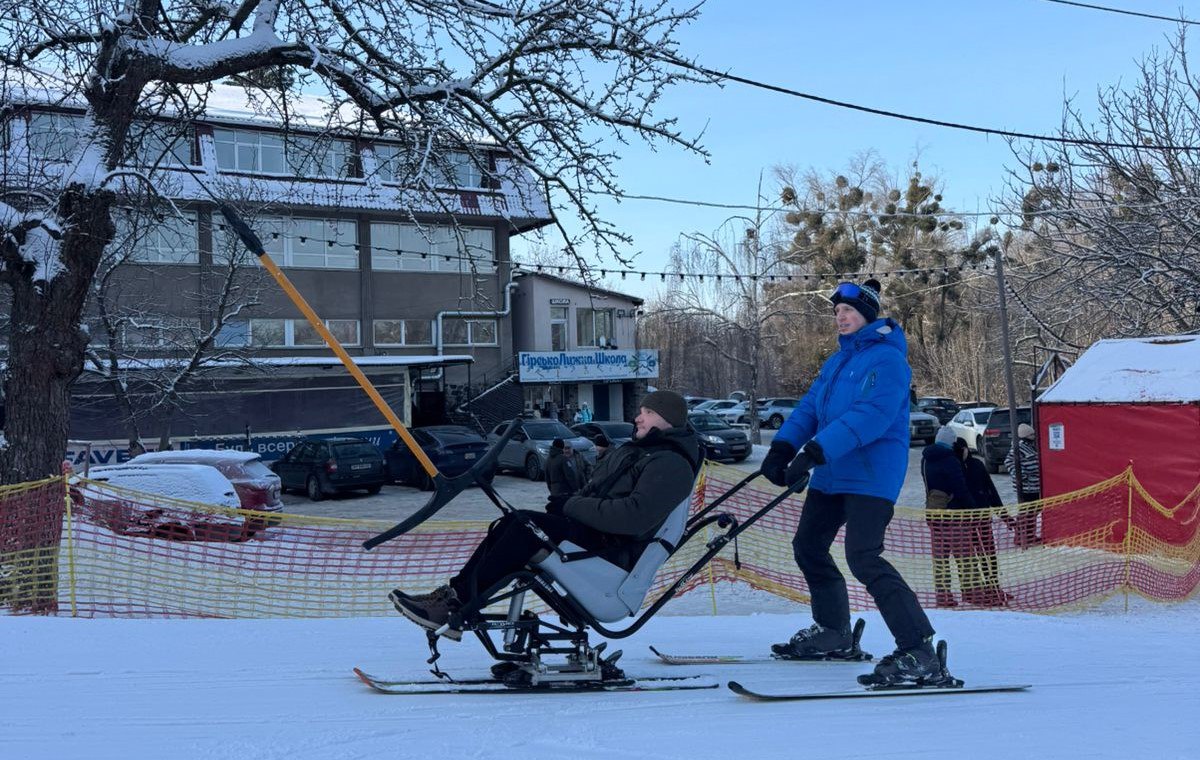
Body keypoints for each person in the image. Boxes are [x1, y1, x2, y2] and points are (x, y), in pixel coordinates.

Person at [390, 390, 701, 640]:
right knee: (512, 522)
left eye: (645, 413)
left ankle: (454, 606)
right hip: (595, 537)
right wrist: (570, 500)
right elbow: (599, 491)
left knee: (523, 528)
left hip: (611, 553)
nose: (637, 418)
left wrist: (569, 506)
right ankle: (454, 598)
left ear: (665, 418)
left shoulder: (670, 464)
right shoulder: (644, 453)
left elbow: (632, 517)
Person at [760, 278, 940, 686]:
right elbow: (810, 408)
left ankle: (919, 649)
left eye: (849, 312)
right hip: (832, 473)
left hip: (871, 477)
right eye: (837, 312)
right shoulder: (838, 361)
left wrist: (815, 451)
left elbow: (871, 416)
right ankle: (833, 632)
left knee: (864, 557)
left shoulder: (888, 361)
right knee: (808, 545)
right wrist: (783, 446)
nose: (840, 317)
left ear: (868, 317)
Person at [921, 427, 978, 608]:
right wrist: (974, 509)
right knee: (965, 557)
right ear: (951, 442)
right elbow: (960, 489)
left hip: (934, 514)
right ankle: (970, 592)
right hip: (954, 516)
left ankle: (943, 596)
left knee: (940, 560)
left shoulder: (925, 459)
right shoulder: (950, 460)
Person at [953, 437, 1011, 607]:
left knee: (989, 556)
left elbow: (990, 491)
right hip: (963, 522)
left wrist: (1005, 517)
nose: (960, 454)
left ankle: (994, 588)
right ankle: (971, 591)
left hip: (983, 518)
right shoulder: (953, 467)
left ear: (966, 449)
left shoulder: (977, 465)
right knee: (968, 559)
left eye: (961, 450)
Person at [1004, 423, 1042, 548]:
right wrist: (1022, 476)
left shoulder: (1032, 447)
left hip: (1035, 486)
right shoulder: (1019, 448)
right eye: (1031, 434)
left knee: (1033, 513)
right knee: (1027, 513)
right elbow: (1009, 462)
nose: (1034, 436)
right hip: (1027, 488)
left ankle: (1029, 535)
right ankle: (1021, 536)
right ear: (1025, 436)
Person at [544, 439, 587, 513]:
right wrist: (576, 489)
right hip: (565, 491)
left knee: (556, 511)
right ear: (561, 447)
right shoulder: (563, 459)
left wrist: (551, 489)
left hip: (554, 491)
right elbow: (570, 476)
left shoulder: (548, 460)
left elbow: (547, 477)